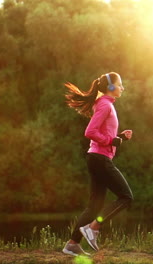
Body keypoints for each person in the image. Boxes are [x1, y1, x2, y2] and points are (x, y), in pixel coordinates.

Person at [62, 72, 134, 256]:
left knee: (94, 206)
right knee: (126, 197)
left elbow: (104, 135)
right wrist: (111, 141)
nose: (122, 88)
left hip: (96, 158)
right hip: (100, 159)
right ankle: (94, 227)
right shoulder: (104, 106)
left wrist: (118, 138)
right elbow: (90, 131)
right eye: (120, 85)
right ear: (110, 87)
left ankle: (72, 244)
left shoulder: (105, 105)